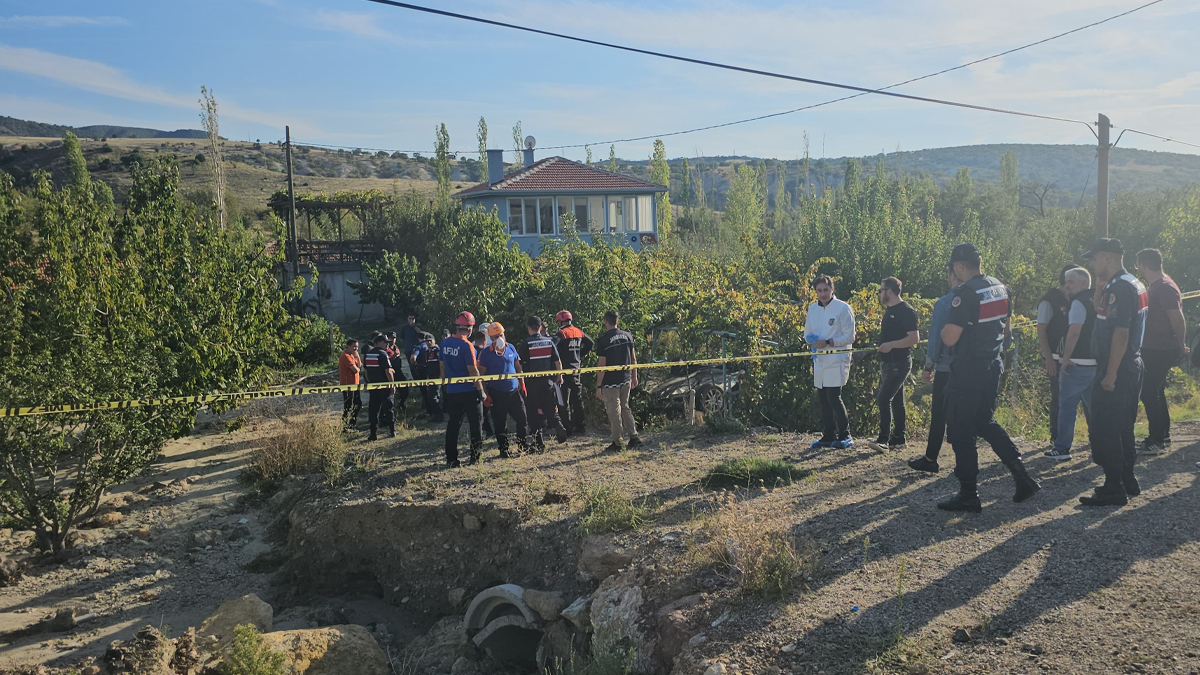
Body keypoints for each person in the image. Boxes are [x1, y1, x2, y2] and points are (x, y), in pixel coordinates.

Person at [937, 243, 1040, 512]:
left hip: (968, 369)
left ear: (959, 267)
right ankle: (1022, 476)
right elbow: (1006, 331)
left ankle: (969, 494)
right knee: (985, 421)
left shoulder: (965, 294)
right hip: (991, 365)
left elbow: (949, 337)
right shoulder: (1001, 287)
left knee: (961, 430)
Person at [1080, 238, 1148, 506]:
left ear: (1107, 258)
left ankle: (1113, 487)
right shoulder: (1131, 282)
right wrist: (1098, 286)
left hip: (1117, 365)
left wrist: (1110, 374)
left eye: (1094, 258)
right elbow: (1100, 311)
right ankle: (1127, 480)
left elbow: (1120, 333)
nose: (1091, 263)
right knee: (1123, 426)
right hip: (1131, 363)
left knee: (1106, 428)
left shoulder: (1119, 288)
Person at [1135, 248, 1189, 454]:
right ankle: (1163, 436)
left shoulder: (1164, 287)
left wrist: (1179, 345)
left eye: (1137, 264)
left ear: (1142, 264)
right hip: (1153, 347)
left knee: (1149, 393)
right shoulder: (1157, 286)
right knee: (1156, 392)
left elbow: (1177, 318)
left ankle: (1156, 439)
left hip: (1159, 349)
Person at [909, 265, 961, 472]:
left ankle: (931, 459)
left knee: (939, 413)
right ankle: (963, 461)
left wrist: (928, 365)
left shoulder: (944, 303)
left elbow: (936, 336)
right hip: (971, 365)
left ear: (951, 276)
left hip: (946, 366)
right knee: (961, 413)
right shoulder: (979, 299)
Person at [1044, 267, 1097, 460]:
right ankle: (1101, 443)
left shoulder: (1078, 303)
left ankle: (1062, 448)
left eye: (1071, 281)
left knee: (1066, 406)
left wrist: (1066, 358)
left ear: (1084, 283)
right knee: (1094, 407)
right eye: (1066, 281)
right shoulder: (1098, 299)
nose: (1067, 285)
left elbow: (1074, 331)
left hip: (1077, 362)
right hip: (1095, 362)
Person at [803, 275, 856, 449]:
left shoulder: (843, 308)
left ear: (832, 289)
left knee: (834, 397)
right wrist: (811, 341)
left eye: (826, 290)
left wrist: (828, 342)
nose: (823, 293)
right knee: (823, 398)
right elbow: (807, 332)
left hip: (837, 359)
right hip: (820, 360)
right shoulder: (812, 309)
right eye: (819, 290)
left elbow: (850, 336)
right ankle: (828, 435)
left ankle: (845, 434)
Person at [868, 277, 920, 452]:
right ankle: (899, 437)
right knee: (897, 401)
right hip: (888, 363)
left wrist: (891, 345)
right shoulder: (890, 310)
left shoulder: (906, 311)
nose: (879, 294)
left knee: (883, 399)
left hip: (899, 363)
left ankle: (883, 440)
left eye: (880, 291)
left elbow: (914, 338)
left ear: (889, 291)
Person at [1036, 267, 1077, 447]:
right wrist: (1048, 358)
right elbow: (1041, 329)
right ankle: (1056, 437)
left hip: (1076, 357)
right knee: (1058, 397)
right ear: (1066, 281)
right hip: (1056, 357)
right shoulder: (1049, 300)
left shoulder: (1077, 297)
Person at [477, 322, 529, 458]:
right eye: (495, 337)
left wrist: (522, 383)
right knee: (500, 423)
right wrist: (484, 393)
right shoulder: (485, 354)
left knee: (522, 418)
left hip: (514, 391)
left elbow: (518, 366)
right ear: (490, 338)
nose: (499, 339)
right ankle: (504, 449)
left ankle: (522, 444)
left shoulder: (511, 348)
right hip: (497, 393)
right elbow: (481, 375)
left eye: (500, 335)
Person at [441, 311, 486, 467]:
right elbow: (472, 370)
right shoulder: (467, 345)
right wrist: (481, 390)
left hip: (452, 391)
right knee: (476, 424)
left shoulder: (445, 343)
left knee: (453, 425)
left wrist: (444, 386)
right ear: (470, 328)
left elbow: (442, 366)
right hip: (469, 391)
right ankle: (475, 457)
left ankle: (451, 459)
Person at [518, 316, 568, 451]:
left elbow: (520, 366)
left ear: (529, 328)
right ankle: (557, 424)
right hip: (548, 381)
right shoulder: (549, 342)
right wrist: (559, 376)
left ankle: (538, 442)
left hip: (532, 383)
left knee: (533, 412)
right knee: (550, 408)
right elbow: (558, 362)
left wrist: (520, 382)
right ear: (540, 327)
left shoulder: (525, 344)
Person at [595, 310, 641, 452]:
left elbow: (602, 365)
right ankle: (634, 437)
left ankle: (618, 442)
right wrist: (634, 376)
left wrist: (598, 385)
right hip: (626, 378)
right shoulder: (628, 336)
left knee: (614, 411)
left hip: (611, 381)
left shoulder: (603, 340)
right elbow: (633, 358)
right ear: (617, 321)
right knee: (625, 407)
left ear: (606, 322)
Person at [553, 310, 595, 435]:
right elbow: (590, 343)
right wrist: (579, 355)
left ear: (561, 321)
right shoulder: (578, 331)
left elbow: (553, 346)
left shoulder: (562, 333)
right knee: (577, 399)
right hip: (577, 369)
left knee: (563, 401)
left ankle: (567, 427)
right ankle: (581, 426)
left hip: (565, 370)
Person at [363, 334, 396, 441]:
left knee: (373, 409)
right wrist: (392, 384)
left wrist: (369, 382)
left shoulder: (368, 354)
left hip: (373, 386)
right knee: (389, 407)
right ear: (377, 343)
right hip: (384, 385)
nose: (387, 344)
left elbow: (366, 371)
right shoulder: (383, 354)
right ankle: (392, 431)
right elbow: (388, 371)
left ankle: (373, 434)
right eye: (384, 342)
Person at [411, 332, 443, 422]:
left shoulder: (437, 351)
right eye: (427, 341)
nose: (429, 343)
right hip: (430, 377)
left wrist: (441, 376)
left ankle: (439, 415)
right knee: (430, 396)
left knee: (434, 396)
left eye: (430, 341)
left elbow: (441, 364)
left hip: (437, 377)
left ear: (434, 341)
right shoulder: (427, 352)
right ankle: (436, 414)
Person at [470, 330, 496, 439]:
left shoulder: (470, 350)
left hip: (471, 385)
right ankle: (491, 430)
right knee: (488, 410)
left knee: (480, 411)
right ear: (485, 340)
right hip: (486, 384)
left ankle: (487, 431)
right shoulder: (485, 352)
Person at [338, 338, 363, 432]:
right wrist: (357, 368)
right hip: (347, 384)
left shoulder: (353, 355)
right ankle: (345, 426)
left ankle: (352, 424)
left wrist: (357, 356)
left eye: (357, 347)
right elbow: (355, 369)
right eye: (354, 347)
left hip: (355, 383)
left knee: (358, 403)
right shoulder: (345, 356)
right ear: (348, 346)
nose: (356, 349)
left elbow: (359, 366)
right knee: (348, 406)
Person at [386, 331, 410, 423]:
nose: (392, 340)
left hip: (399, 371)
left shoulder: (396, 347)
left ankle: (401, 404)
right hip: (391, 372)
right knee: (391, 392)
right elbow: (387, 361)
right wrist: (394, 355)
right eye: (391, 338)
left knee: (405, 389)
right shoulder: (386, 349)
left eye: (394, 338)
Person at [398, 313, 424, 380]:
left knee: (420, 364)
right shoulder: (404, 328)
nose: (411, 320)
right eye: (410, 318)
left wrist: (415, 327)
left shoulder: (418, 326)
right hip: (408, 349)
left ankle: (421, 378)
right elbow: (401, 338)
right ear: (407, 319)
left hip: (418, 349)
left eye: (413, 319)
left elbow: (422, 335)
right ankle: (415, 379)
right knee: (411, 365)